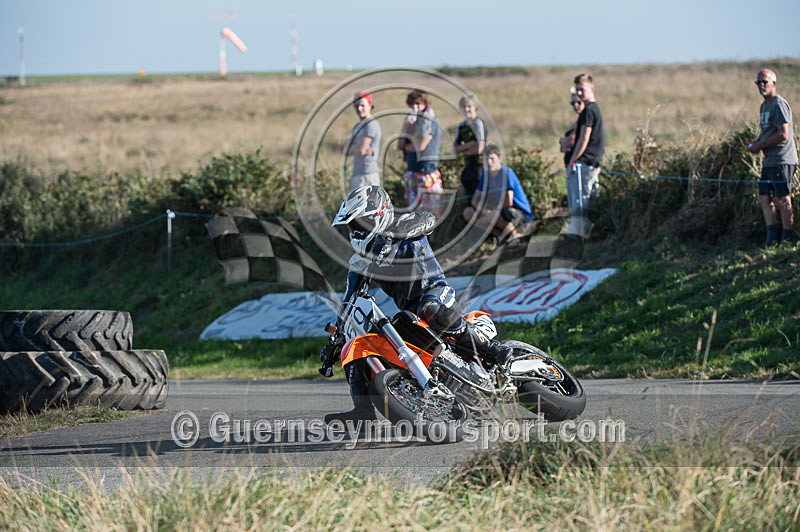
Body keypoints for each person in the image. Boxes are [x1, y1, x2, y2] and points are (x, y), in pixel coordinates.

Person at [323, 185, 513, 423]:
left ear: (378, 215)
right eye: (352, 227)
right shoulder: (361, 260)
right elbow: (349, 300)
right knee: (356, 345)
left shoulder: (404, 225)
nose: (355, 231)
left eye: (359, 224)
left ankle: (490, 349)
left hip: (434, 291)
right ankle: (363, 414)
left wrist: (391, 237)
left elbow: (428, 219)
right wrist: (336, 339)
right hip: (409, 311)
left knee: (429, 309)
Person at [746, 69, 797, 246]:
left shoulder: (778, 104)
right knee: (763, 198)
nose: (761, 85)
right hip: (769, 160)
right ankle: (771, 237)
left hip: (783, 159)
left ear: (773, 84)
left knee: (783, 199)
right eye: (758, 82)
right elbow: (767, 133)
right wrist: (755, 143)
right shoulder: (764, 106)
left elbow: (783, 134)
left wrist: (760, 146)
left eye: (764, 82)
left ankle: (787, 238)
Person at [462, 145, 534, 246]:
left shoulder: (507, 173)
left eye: (492, 159)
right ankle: (502, 236)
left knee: (493, 216)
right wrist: (484, 211)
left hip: (518, 213)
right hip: (498, 211)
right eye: (486, 159)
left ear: (500, 159)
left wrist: (492, 212)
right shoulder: (486, 175)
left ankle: (515, 235)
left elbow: (509, 201)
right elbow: (475, 200)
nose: (489, 162)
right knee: (468, 213)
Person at [566, 73, 604, 239]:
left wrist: (573, 160)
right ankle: (585, 233)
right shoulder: (593, 109)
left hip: (585, 162)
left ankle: (579, 235)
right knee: (588, 199)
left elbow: (584, 138)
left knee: (580, 201)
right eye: (577, 90)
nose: (580, 94)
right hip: (592, 162)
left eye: (582, 90)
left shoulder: (589, 110)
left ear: (591, 89)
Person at [397, 89, 443, 215]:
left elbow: (420, 146)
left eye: (418, 103)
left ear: (425, 103)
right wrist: (405, 125)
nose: (415, 107)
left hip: (426, 171)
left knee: (430, 212)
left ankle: (431, 236)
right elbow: (400, 144)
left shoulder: (430, 120)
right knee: (413, 213)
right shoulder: (413, 121)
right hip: (412, 171)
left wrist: (408, 146)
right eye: (412, 104)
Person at [344, 90, 382, 192]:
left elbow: (361, 150)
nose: (359, 109)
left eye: (362, 105)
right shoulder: (357, 126)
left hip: (367, 174)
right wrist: (358, 148)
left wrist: (357, 148)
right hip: (357, 173)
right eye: (356, 106)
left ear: (370, 105)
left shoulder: (370, 124)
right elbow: (346, 150)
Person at [453, 94, 486, 198]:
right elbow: (455, 149)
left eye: (469, 107)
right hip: (468, 165)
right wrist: (470, 145)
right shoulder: (462, 126)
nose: (466, 110)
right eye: (463, 107)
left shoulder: (478, 123)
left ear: (475, 107)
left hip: (480, 166)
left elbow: (479, 149)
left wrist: (463, 148)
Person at [559, 88, 585, 171]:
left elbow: (571, 140)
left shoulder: (585, 120)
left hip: (578, 166)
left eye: (578, 102)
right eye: (573, 103)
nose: (575, 105)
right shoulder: (578, 121)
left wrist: (564, 141)